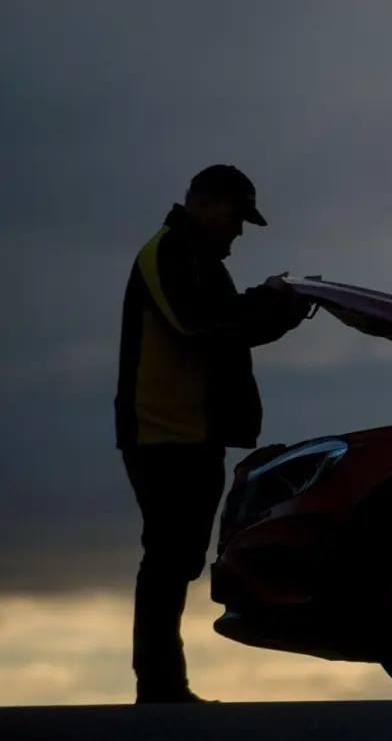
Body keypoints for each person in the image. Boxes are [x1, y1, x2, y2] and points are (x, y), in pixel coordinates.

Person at [114, 165, 312, 704]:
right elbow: (200, 325)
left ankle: (162, 685)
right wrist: (273, 302)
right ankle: (160, 686)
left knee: (178, 559)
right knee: (167, 557)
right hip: (160, 434)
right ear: (203, 203)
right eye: (235, 216)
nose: (238, 231)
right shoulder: (167, 253)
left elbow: (229, 325)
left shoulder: (198, 261)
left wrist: (283, 309)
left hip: (196, 434)